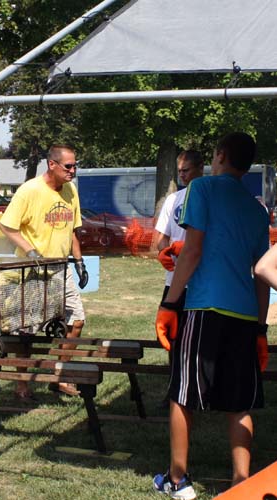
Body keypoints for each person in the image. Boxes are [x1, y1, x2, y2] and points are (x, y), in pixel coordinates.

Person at [153, 132, 270, 499]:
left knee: (183, 394)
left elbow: (192, 250)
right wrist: (261, 328)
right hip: (244, 314)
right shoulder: (257, 209)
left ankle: (177, 480)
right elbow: (263, 273)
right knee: (239, 403)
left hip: (203, 307)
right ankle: (241, 483)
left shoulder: (201, 189)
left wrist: (170, 303)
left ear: (219, 155)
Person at [0, 144, 89, 399]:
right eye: (68, 166)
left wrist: (79, 262)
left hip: (61, 268)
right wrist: (31, 252)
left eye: (75, 165)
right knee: (27, 329)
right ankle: (22, 384)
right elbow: (7, 226)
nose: (73, 171)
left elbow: (72, 230)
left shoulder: (71, 190)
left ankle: (58, 376)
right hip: (32, 270)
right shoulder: (30, 191)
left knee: (76, 321)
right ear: (52, 164)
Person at [153, 150, 204, 408]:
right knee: (172, 338)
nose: (182, 175)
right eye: (179, 171)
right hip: (174, 281)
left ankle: (198, 389)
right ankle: (174, 390)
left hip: (202, 281)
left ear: (201, 168)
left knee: (199, 340)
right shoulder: (174, 199)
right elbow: (159, 238)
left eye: (186, 170)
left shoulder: (208, 196)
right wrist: (163, 251)